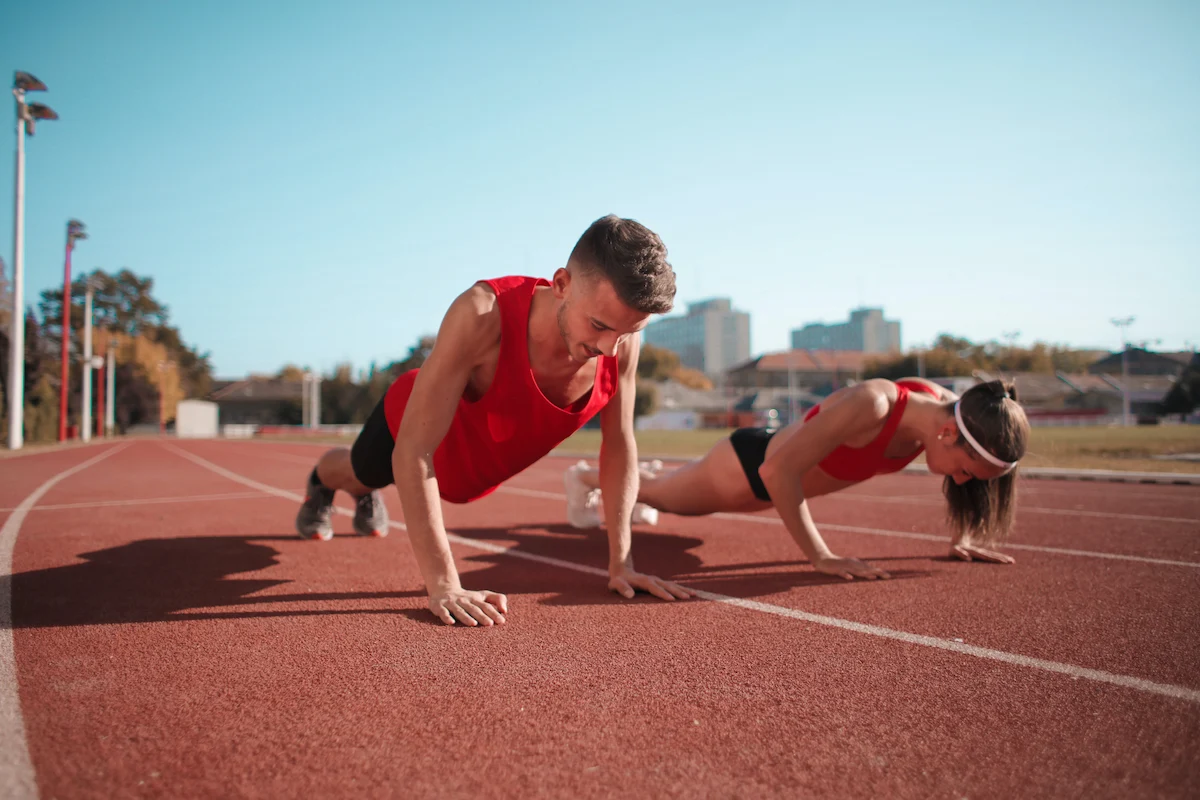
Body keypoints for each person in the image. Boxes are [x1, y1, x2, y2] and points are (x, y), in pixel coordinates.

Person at [294, 214, 694, 627]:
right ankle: (322, 484)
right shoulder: (482, 314)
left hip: (476, 469)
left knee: (385, 480)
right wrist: (444, 585)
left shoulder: (620, 340)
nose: (610, 349)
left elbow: (619, 444)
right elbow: (414, 450)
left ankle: (360, 490)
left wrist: (621, 563)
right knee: (362, 473)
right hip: (414, 428)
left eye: (627, 333)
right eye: (598, 326)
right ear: (561, 284)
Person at [563, 378, 1029, 579]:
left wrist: (962, 536)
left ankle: (634, 479)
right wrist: (821, 557)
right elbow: (777, 469)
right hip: (749, 468)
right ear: (948, 433)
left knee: (664, 498)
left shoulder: (947, 413)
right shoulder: (876, 404)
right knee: (665, 500)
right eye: (968, 471)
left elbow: (967, 475)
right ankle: (586, 478)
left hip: (776, 483)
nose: (966, 482)